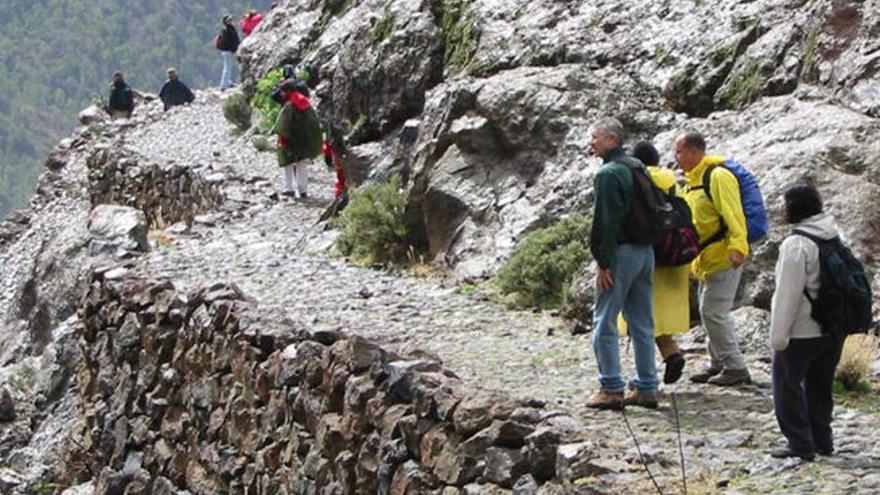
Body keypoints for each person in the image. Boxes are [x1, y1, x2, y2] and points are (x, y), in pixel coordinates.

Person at [586, 117, 659, 411]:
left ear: (612, 140)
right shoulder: (636, 166)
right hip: (645, 252)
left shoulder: (608, 174)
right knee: (642, 322)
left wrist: (603, 263)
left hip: (621, 254)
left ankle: (611, 387)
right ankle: (647, 386)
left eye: (595, 137)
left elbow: (606, 221)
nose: (591, 142)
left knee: (605, 321)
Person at [769, 184, 845, 461]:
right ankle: (823, 441)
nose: (782, 209)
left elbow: (787, 294)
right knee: (820, 387)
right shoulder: (835, 235)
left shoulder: (796, 244)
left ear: (795, 209)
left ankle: (800, 444)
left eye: (785, 204)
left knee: (786, 386)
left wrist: (778, 337)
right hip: (832, 327)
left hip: (802, 329)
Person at [676, 132, 751, 386]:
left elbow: (733, 213)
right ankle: (716, 362)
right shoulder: (692, 182)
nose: (676, 158)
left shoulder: (717, 176)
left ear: (694, 152)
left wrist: (738, 245)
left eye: (679, 152)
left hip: (724, 256)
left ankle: (736, 366)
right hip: (706, 260)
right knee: (708, 311)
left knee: (714, 312)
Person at [617, 141, 689, 384]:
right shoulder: (672, 183)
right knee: (657, 313)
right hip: (673, 255)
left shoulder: (637, 181)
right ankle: (671, 353)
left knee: (640, 315)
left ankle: (646, 378)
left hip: (645, 253)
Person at [275, 81, 323, 198]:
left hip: (290, 139)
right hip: (304, 139)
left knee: (288, 163)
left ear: (287, 91)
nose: (281, 94)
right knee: (302, 163)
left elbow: (282, 124)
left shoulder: (289, 105)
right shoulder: (306, 103)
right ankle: (303, 190)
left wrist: (282, 138)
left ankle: (289, 188)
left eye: (282, 92)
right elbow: (313, 123)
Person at [217, 15, 240, 90]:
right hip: (227, 50)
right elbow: (228, 41)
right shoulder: (225, 30)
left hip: (230, 50)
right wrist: (233, 48)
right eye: (229, 20)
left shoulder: (231, 28)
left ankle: (228, 82)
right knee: (227, 67)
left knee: (229, 66)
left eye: (231, 19)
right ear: (225, 22)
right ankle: (223, 85)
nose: (230, 21)